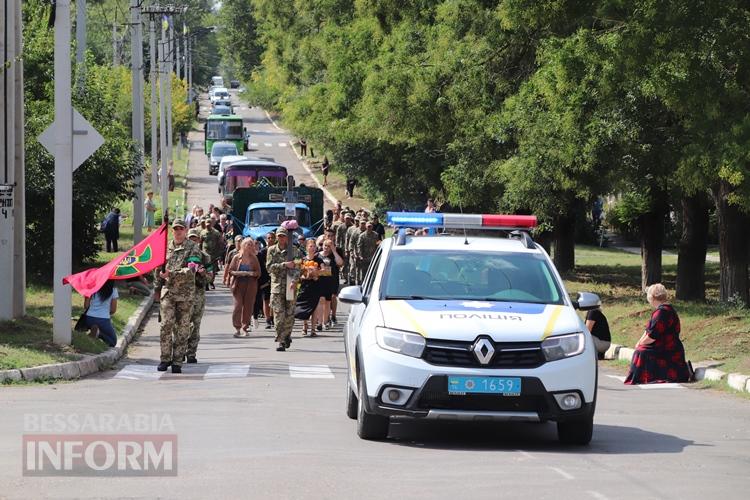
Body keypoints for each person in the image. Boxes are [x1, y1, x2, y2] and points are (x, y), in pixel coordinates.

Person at [154, 218, 202, 373]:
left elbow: (191, 270)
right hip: (168, 293)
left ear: (186, 230)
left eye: (181, 228)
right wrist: (157, 287)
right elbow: (157, 269)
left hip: (185, 295)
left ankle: (177, 362)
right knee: (165, 326)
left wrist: (172, 274)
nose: (178, 231)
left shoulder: (193, 247)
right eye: (175, 229)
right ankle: (165, 358)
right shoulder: (165, 247)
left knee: (182, 329)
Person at [624, 283, 691, 384]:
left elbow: (652, 336)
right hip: (665, 346)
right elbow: (648, 330)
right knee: (640, 348)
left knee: (641, 352)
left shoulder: (662, 312)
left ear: (652, 297)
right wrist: (639, 342)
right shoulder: (663, 310)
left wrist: (641, 344)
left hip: (668, 348)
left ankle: (645, 377)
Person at [266, 227, 303, 351]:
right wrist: (284, 265)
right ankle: (281, 340)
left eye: (283, 236)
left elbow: (298, 267)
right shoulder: (271, 250)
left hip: (290, 286)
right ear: (276, 237)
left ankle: (287, 335)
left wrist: (294, 280)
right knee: (278, 315)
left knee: (289, 315)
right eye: (279, 236)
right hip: (277, 287)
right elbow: (269, 267)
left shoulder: (294, 250)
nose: (281, 238)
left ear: (287, 237)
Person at [186, 228, 213, 363]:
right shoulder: (183, 255)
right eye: (190, 239)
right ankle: (181, 349)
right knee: (182, 324)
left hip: (198, 293)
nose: (192, 241)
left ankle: (191, 353)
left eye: (195, 239)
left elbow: (210, 278)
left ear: (199, 241)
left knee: (195, 324)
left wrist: (203, 274)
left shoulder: (205, 256)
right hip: (183, 294)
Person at [226, 238, 261, 337]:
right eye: (247, 244)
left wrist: (251, 273)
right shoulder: (237, 257)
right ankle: (237, 328)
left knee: (248, 307)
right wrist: (240, 273)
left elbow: (258, 273)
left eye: (251, 244)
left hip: (250, 284)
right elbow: (231, 270)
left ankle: (245, 328)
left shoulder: (254, 258)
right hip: (238, 284)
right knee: (238, 306)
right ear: (243, 245)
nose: (249, 246)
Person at [294, 239, 324, 336]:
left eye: (314, 246)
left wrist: (316, 273)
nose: (312, 248)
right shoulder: (303, 259)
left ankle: (313, 329)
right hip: (305, 285)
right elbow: (298, 272)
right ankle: (305, 326)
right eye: (310, 246)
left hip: (315, 285)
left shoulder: (319, 260)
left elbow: (325, 271)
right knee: (304, 306)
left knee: (314, 307)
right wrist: (303, 275)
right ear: (306, 248)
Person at [315, 236, 344, 330]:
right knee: (321, 300)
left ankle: (325, 322)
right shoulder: (317, 255)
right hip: (319, 281)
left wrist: (334, 251)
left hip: (330, 281)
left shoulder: (334, 255)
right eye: (325, 245)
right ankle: (319, 322)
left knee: (328, 302)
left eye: (328, 246)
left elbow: (340, 263)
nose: (326, 247)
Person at [84, 280, 119, 347]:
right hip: (103, 320)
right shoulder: (113, 290)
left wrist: (87, 297)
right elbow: (113, 310)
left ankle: (94, 333)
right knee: (113, 341)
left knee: (95, 326)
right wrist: (105, 312)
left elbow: (86, 306)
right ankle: (99, 333)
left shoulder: (92, 288)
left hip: (89, 318)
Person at [257, 232, 276, 329]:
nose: (271, 239)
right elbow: (260, 267)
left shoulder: (278, 251)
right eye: (269, 238)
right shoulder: (262, 252)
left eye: (272, 237)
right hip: (265, 279)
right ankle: (267, 319)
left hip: (276, 278)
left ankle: (273, 318)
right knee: (266, 299)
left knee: (275, 300)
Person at [200, 217, 224, 290]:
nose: (208, 226)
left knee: (213, 269)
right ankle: (206, 284)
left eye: (209, 224)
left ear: (212, 224)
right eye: (206, 224)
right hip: (205, 254)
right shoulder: (202, 232)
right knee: (206, 269)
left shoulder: (216, 233)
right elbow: (200, 243)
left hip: (214, 254)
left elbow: (220, 244)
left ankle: (211, 282)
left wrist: (220, 254)